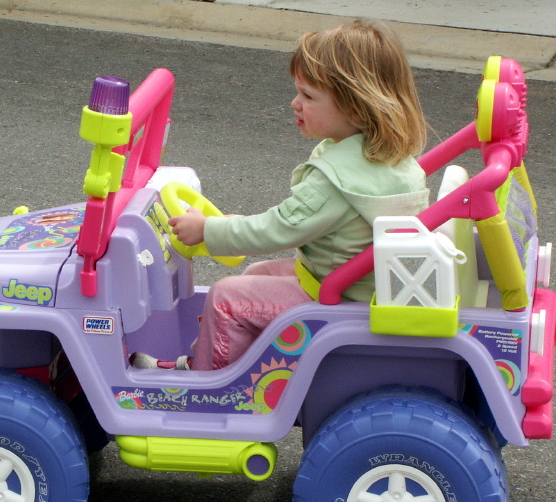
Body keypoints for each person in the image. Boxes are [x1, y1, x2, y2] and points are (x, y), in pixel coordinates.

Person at [133, 20, 430, 371]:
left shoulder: (338, 180)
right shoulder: (389, 159)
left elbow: (278, 228)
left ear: (354, 107)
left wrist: (209, 231)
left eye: (308, 96)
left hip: (343, 297)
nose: (295, 103)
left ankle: (206, 386)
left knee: (226, 298)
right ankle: (230, 365)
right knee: (258, 273)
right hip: (355, 284)